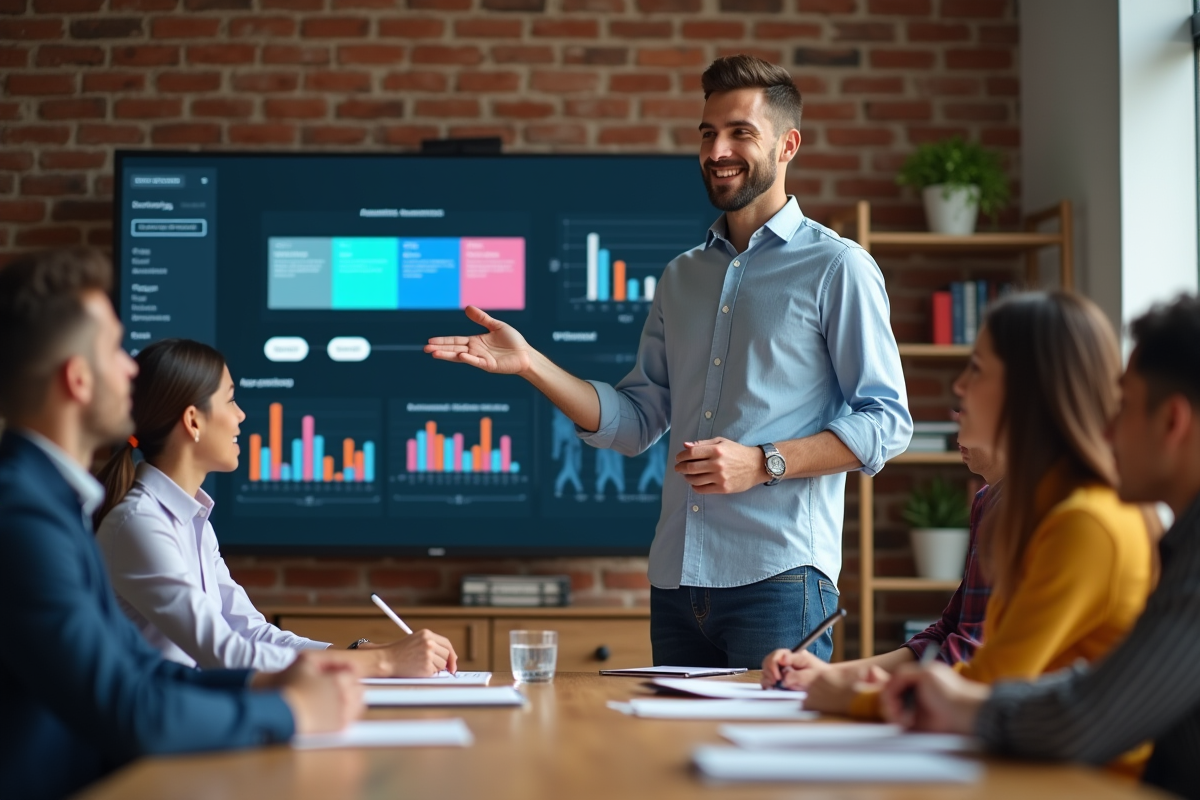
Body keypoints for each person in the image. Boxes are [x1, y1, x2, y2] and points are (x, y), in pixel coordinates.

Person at [425, 54, 912, 667]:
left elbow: (886, 422)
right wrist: (530, 365)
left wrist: (764, 463)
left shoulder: (836, 267)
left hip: (780, 582)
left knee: (767, 762)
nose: (717, 150)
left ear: (788, 145)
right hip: (678, 585)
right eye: (708, 133)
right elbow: (636, 422)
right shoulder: (682, 275)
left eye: (740, 132)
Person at [0, 248, 361, 800]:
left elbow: (141, 669)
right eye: (114, 352)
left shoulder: (52, 503)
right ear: (77, 379)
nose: (130, 367)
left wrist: (270, 681)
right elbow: (129, 706)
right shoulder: (23, 516)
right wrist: (290, 712)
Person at [795, 293, 1156, 747]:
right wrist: (839, 681)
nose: (960, 386)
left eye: (978, 369)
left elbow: (986, 685)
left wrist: (853, 696)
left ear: (1029, 389)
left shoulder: (1086, 523)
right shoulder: (1032, 505)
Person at [882, 295, 1200, 799]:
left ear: (1173, 422)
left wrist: (935, 701)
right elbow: (1094, 690)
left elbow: (1088, 716)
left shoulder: (1095, 525)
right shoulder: (1171, 542)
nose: (1109, 431)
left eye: (1126, 407)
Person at [94, 337, 458, 675]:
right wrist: (384, 662)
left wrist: (357, 653)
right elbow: (222, 653)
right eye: (231, 400)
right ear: (193, 421)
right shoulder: (139, 523)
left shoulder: (194, 521)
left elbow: (250, 632)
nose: (241, 417)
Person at [761, 443, 1000, 688]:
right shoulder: (987, 499)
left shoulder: (1017, 506)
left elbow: (971, 651)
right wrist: (828, 674)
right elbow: (948, 634)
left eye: (965, 410)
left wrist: (848, 688)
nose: (957, 424)